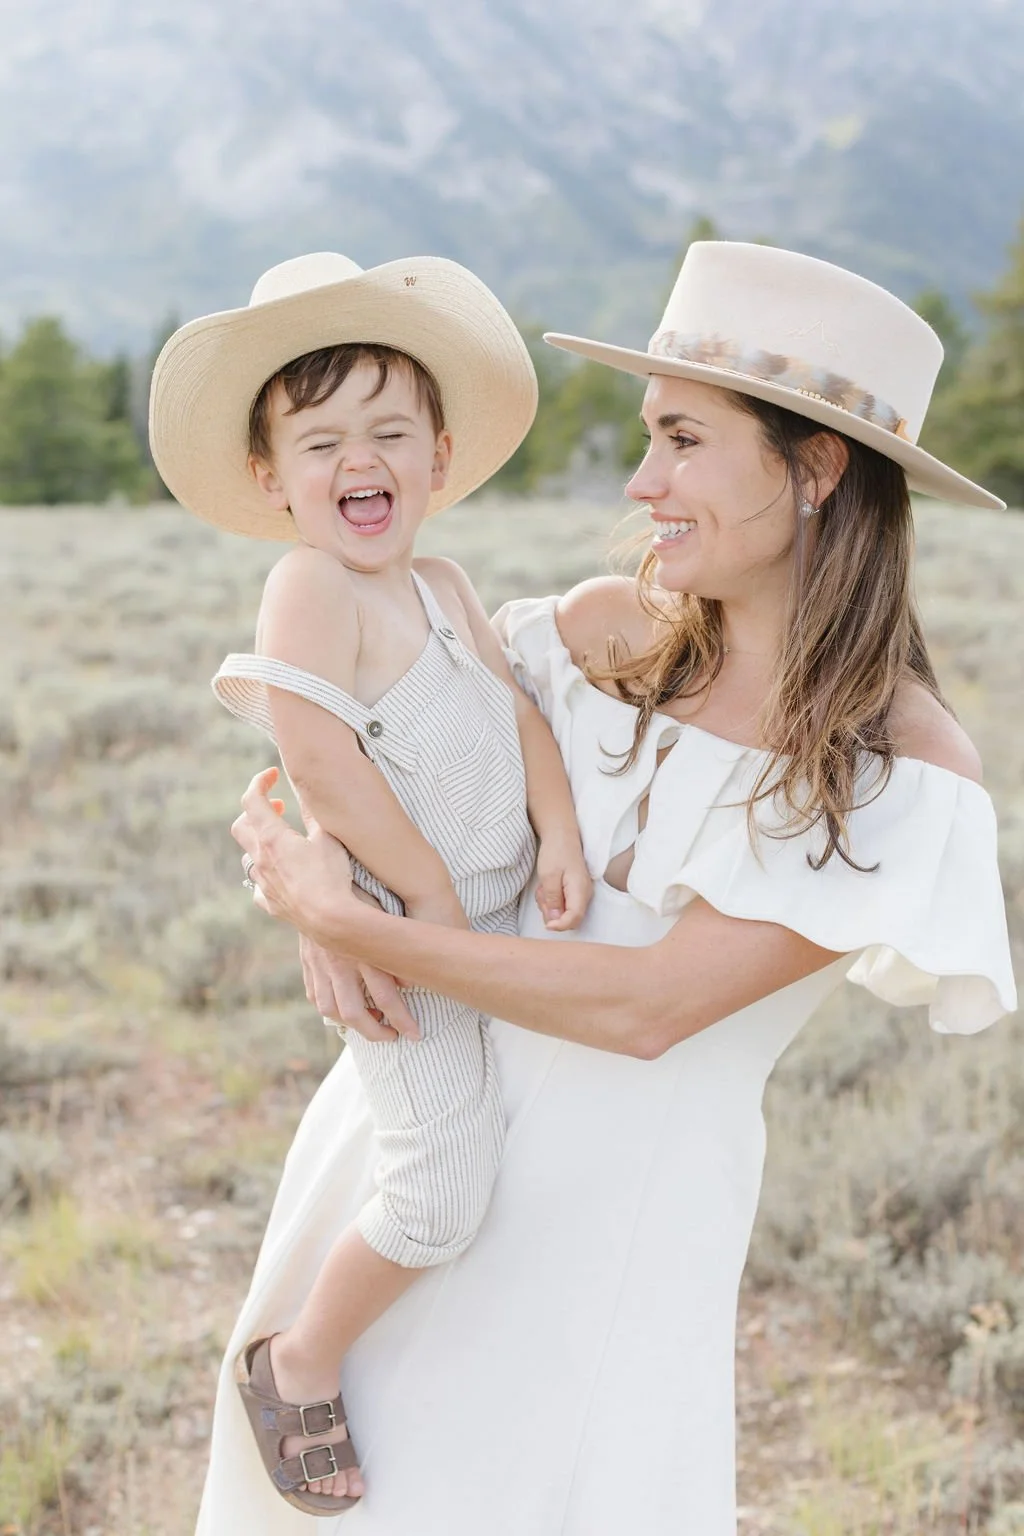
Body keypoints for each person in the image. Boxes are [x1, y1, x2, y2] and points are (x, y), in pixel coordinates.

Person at [215, 241, 1016, 1535]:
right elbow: (357, 727)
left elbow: (650, 1008)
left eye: (684, 439)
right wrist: (295, 865)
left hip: (614, 1244)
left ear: (813, 468)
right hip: (415, 1145)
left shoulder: (901, 769)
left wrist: (358, 925)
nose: (642, 482)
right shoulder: (594, 633)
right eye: (650, 436)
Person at [148, 252, 592, 1517]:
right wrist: (434, 914)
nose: (363, 459)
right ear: (270, 478)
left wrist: (555, 832)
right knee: (444, 1190)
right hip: (406, 936)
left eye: (391, 431)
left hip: (498, 910)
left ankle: (474, 1386)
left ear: (440, 456)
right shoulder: (309, 587)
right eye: (324, 439)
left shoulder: (444, 585)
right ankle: (299, 1357)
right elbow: (320, 764)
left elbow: (516, 714)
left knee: (545, 1147)